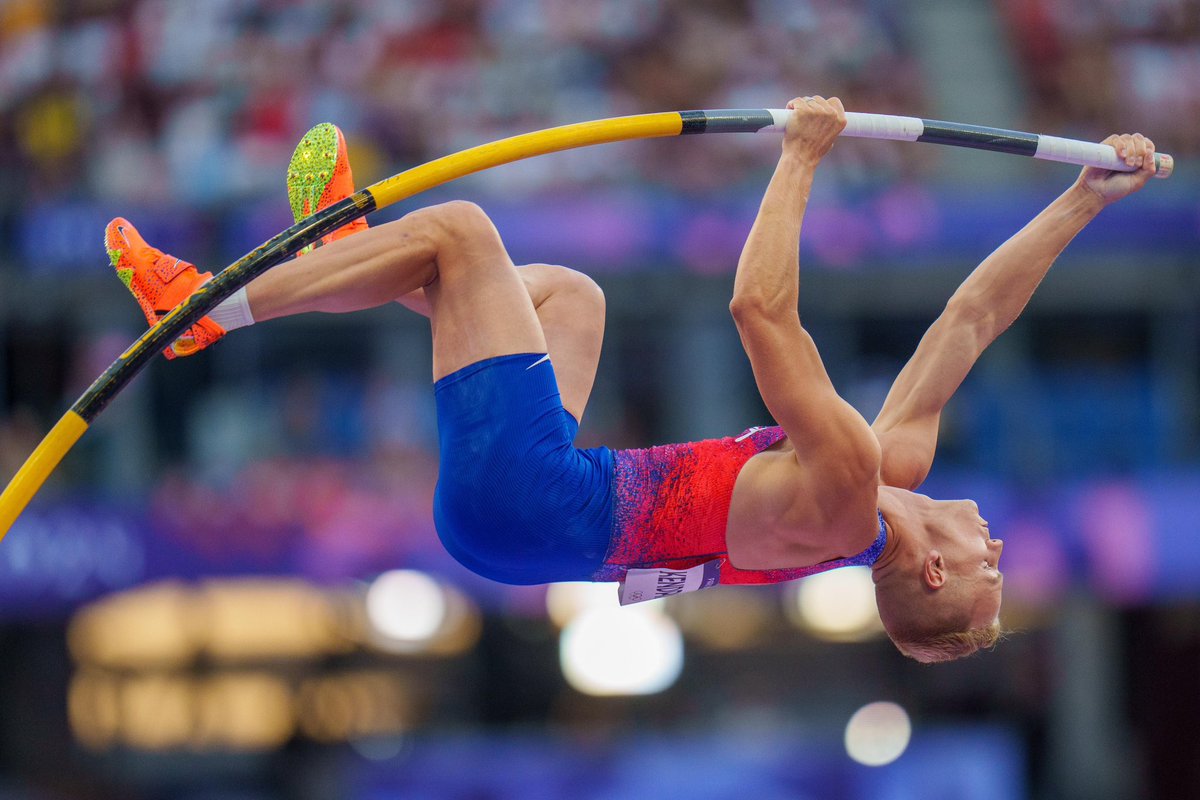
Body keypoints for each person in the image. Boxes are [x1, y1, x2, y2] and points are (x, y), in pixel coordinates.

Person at [104, 98, 1158, 663]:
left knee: (465, 231)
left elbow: (759, 311)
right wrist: (1082, 202)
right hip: (542, 511)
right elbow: (972, 315)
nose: (998, 547)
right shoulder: (893, 466)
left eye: (989, 570)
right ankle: (346, 250)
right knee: (567, 298)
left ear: (931, 576)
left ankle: (199, 310)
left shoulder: (847, 492)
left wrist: (800, 155)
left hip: (539, 500)